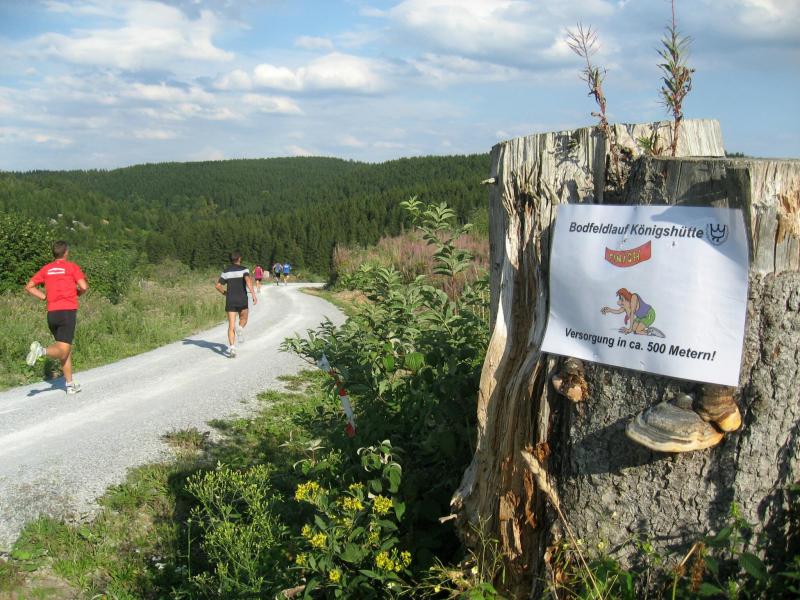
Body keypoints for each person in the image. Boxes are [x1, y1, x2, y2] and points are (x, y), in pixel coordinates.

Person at [24, 240, 89, 395]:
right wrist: (78, 293)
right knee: (63, 349)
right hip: (67, 312)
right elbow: (84, 286)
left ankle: (70, 385)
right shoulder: (71, 267)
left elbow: (29, 286)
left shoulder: (46, 269)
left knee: (64, 349)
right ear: (66, 252)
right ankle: (41, 351)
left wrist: (43, 296)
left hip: (52, 314)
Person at [215, 252, 257, 358]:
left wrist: (225, 293)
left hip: (230, 300)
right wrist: (253, 294)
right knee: (244, 318)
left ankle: (232, 349)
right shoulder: (244, 269)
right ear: (239, 258)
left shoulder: (226, 271)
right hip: (242, 299)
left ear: (230, 259)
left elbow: (218, 286)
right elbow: (248, 281)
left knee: (231, 325)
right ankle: (240, 328)